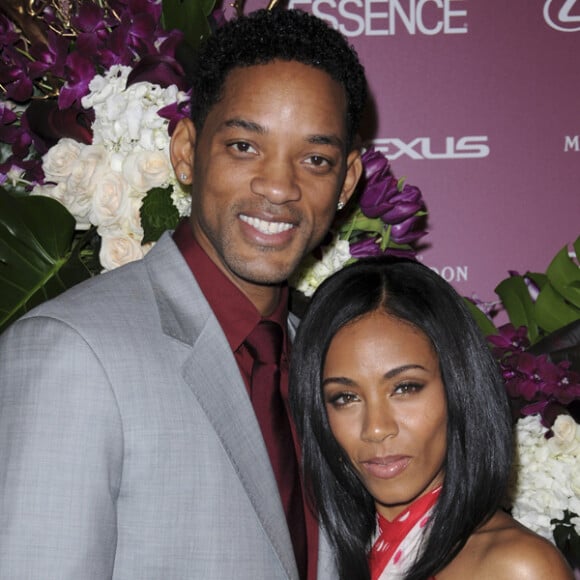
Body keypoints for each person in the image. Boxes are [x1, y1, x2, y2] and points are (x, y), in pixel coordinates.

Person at [0, 8, 367, 580]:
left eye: (314, 159)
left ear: (346, 182)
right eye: (244, 146)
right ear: (185, 151)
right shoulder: (71, 353)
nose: (278, 186)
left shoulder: (336, 365)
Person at [289, 257, 574, 580]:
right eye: (345, 397)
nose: (377, 428)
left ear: (459, 388)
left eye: (405, 388)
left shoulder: (517, 568)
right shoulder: (318, 555)